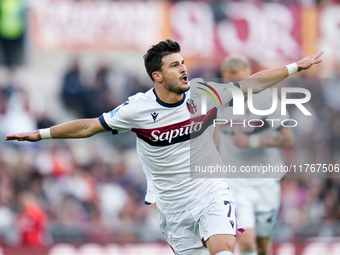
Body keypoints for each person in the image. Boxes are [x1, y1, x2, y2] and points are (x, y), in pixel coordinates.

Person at [5, 39, 322, 255]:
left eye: (183, 63)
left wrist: (296, 66)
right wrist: (42, 134)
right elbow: (89, 125)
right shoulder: (136, 110)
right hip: (172, 208)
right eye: (174, 66)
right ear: (157, 76)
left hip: (209, 190)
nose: (183, 69)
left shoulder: (204, 94)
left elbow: (251, 84)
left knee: (224, 250)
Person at [215, 54, 295, 255]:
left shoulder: (267, 99)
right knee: (247, 241)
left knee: (262, 245)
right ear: (224, 77)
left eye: (242, 81)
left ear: (250, 76)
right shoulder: (215, 100)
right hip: (235, 181)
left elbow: (288, 139)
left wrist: (251, 141)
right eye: (231, 81)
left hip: (265, 180)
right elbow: (213, 136)